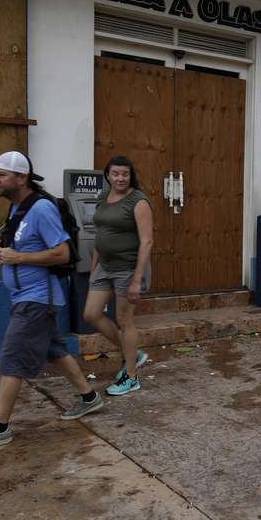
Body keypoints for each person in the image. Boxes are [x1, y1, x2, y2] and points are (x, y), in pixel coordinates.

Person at [0, 151, 102, 452]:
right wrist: (0, 249)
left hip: (37, 299)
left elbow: (62, 253)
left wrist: (18, 257)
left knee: (12, 356)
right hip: (26, 297)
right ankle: (89, 397)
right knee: (53, 349)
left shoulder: (41, 209)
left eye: (1, 175)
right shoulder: (17, 209)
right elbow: (18, 244)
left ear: (21, 178)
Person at [82, 156, 154, 396]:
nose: (120, 178)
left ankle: (131, 377)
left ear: (130, 175)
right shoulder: (104, 197)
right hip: (104, 266)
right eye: (115, 174)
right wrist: (94, 268)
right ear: (108, 176)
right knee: (91, 314)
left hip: (128, 267)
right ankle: (133, 353)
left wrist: (137, 279)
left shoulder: (138, 200)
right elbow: (99, 235)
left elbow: (147, 241)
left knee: (125, 321)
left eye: (125, 174)